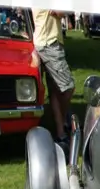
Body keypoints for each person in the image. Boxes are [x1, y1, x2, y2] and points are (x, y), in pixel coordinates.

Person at [31, 9, 75, 148]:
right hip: (50, 44)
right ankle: (62, 122)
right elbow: (61, 12)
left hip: (44, 43)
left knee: (55, 92)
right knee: (68, 88)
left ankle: (61, 134)